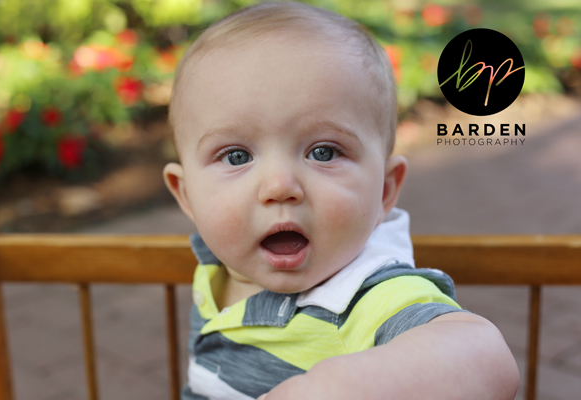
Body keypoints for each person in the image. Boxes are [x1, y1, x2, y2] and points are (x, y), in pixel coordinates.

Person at [163, 2, 519, 399]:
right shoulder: (221, 260)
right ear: (187, 195)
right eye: (236, 156)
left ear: (384, 191)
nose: (279, 186)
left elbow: (485, 357)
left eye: (324, 152)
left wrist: (338, 387)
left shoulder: (363, 296)